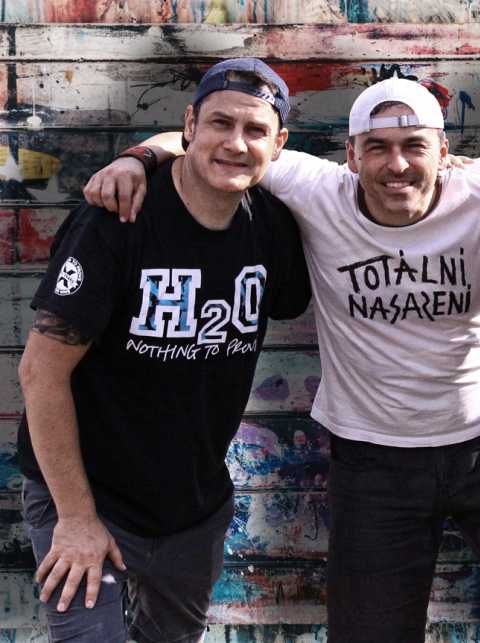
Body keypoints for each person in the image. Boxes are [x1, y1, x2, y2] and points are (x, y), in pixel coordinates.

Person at [82, 77, 480, 643]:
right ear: (350, 156)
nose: (397, 164)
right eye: (377, 147)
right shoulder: (317, 189)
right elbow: (203, 142)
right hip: (374, 459)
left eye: (415, 146)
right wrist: (135, 160)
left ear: (444, 152)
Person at [17, 57, 311, 642]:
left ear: (278, 145)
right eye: (220, 123)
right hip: (88, 499)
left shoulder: (272, 227)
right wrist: (76, 519)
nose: (236, 143)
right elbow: (39, 373)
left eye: (255, 130)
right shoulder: (118, 219)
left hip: (190, 513)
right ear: (189, 125)